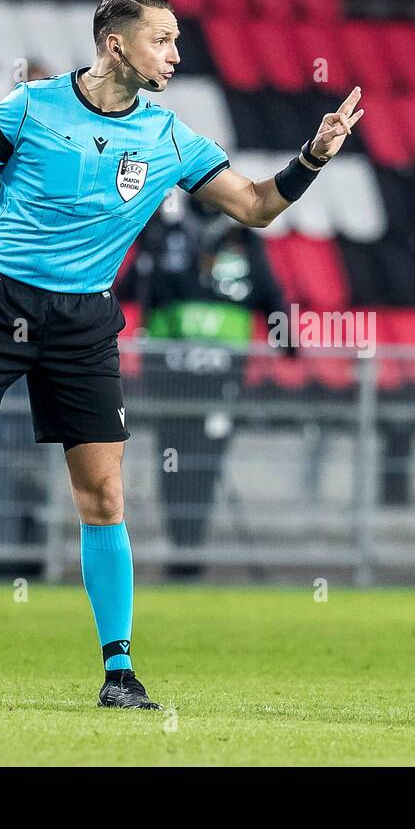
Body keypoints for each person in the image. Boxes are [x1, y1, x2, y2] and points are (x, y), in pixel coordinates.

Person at [0, 0, 364, 709]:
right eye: (162, 40)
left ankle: (118, 673)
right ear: (116, 44)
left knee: (103, 495)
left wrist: (313, 157)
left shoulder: (170, 138)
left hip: (83, 321)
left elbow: (257, 205)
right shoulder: (27, 109)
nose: (174, 54)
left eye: (176, 41)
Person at [117, 199, 291, 578]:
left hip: (221, 378)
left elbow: (270, 294)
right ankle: (183, 549)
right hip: (170, 378)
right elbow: (129, 287)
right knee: (174, 460)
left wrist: (288, 340)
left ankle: (189, 548)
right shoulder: (162, 233)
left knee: (203, 462)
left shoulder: (243, 239)